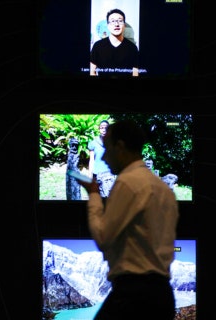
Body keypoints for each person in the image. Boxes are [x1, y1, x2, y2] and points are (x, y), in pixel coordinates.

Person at [77, 120, 179, 320]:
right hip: (163, 296)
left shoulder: (128, 182)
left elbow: (103, 236)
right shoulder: (164, 190)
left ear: (120, 147)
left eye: (106, 149)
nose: (104, 157)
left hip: (133, 295)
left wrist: (94, 194)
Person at [90, 8, 139, 77]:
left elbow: (135, 73)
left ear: (124, 25)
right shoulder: (97, 46)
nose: (116, 24)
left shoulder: (132, 48)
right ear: (108, 25)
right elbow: (92, 72)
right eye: (113, 21)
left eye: (120, 21)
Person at [87, 120, 116, 198]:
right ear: (99, 129)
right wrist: (90, 175)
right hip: (97, 175)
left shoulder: (113, 142)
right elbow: (91, 160)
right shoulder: (92, 143)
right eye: (101, 128)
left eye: (106, 128)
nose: (103, 130)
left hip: (109, 176)